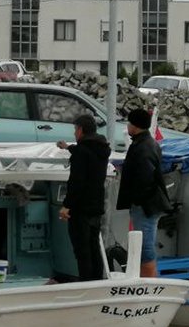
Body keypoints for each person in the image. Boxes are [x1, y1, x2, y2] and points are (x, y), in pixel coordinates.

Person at [115, 108, 172, 278]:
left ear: (135, 126)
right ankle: (146, 280)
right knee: (143, 245)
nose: (128, 126)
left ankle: (149, 283)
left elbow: (145, 178)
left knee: (144, 247)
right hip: (148, 203)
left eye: (130, 123)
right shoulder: (147, 143)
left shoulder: (143, 147)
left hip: (145, 205)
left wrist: (137, 199)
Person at [57, 114, 110, 281]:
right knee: (94, 246)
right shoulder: (101, 149)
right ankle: (97, 281)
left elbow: (77, 182)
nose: (74, 133)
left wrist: (67, 205)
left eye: (75, 129)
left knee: (82, 250)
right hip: (96, 205)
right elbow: (87, 152)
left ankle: (86, 282)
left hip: (80, 208)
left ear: (80, 130)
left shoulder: (82, 152)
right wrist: (68, 147)